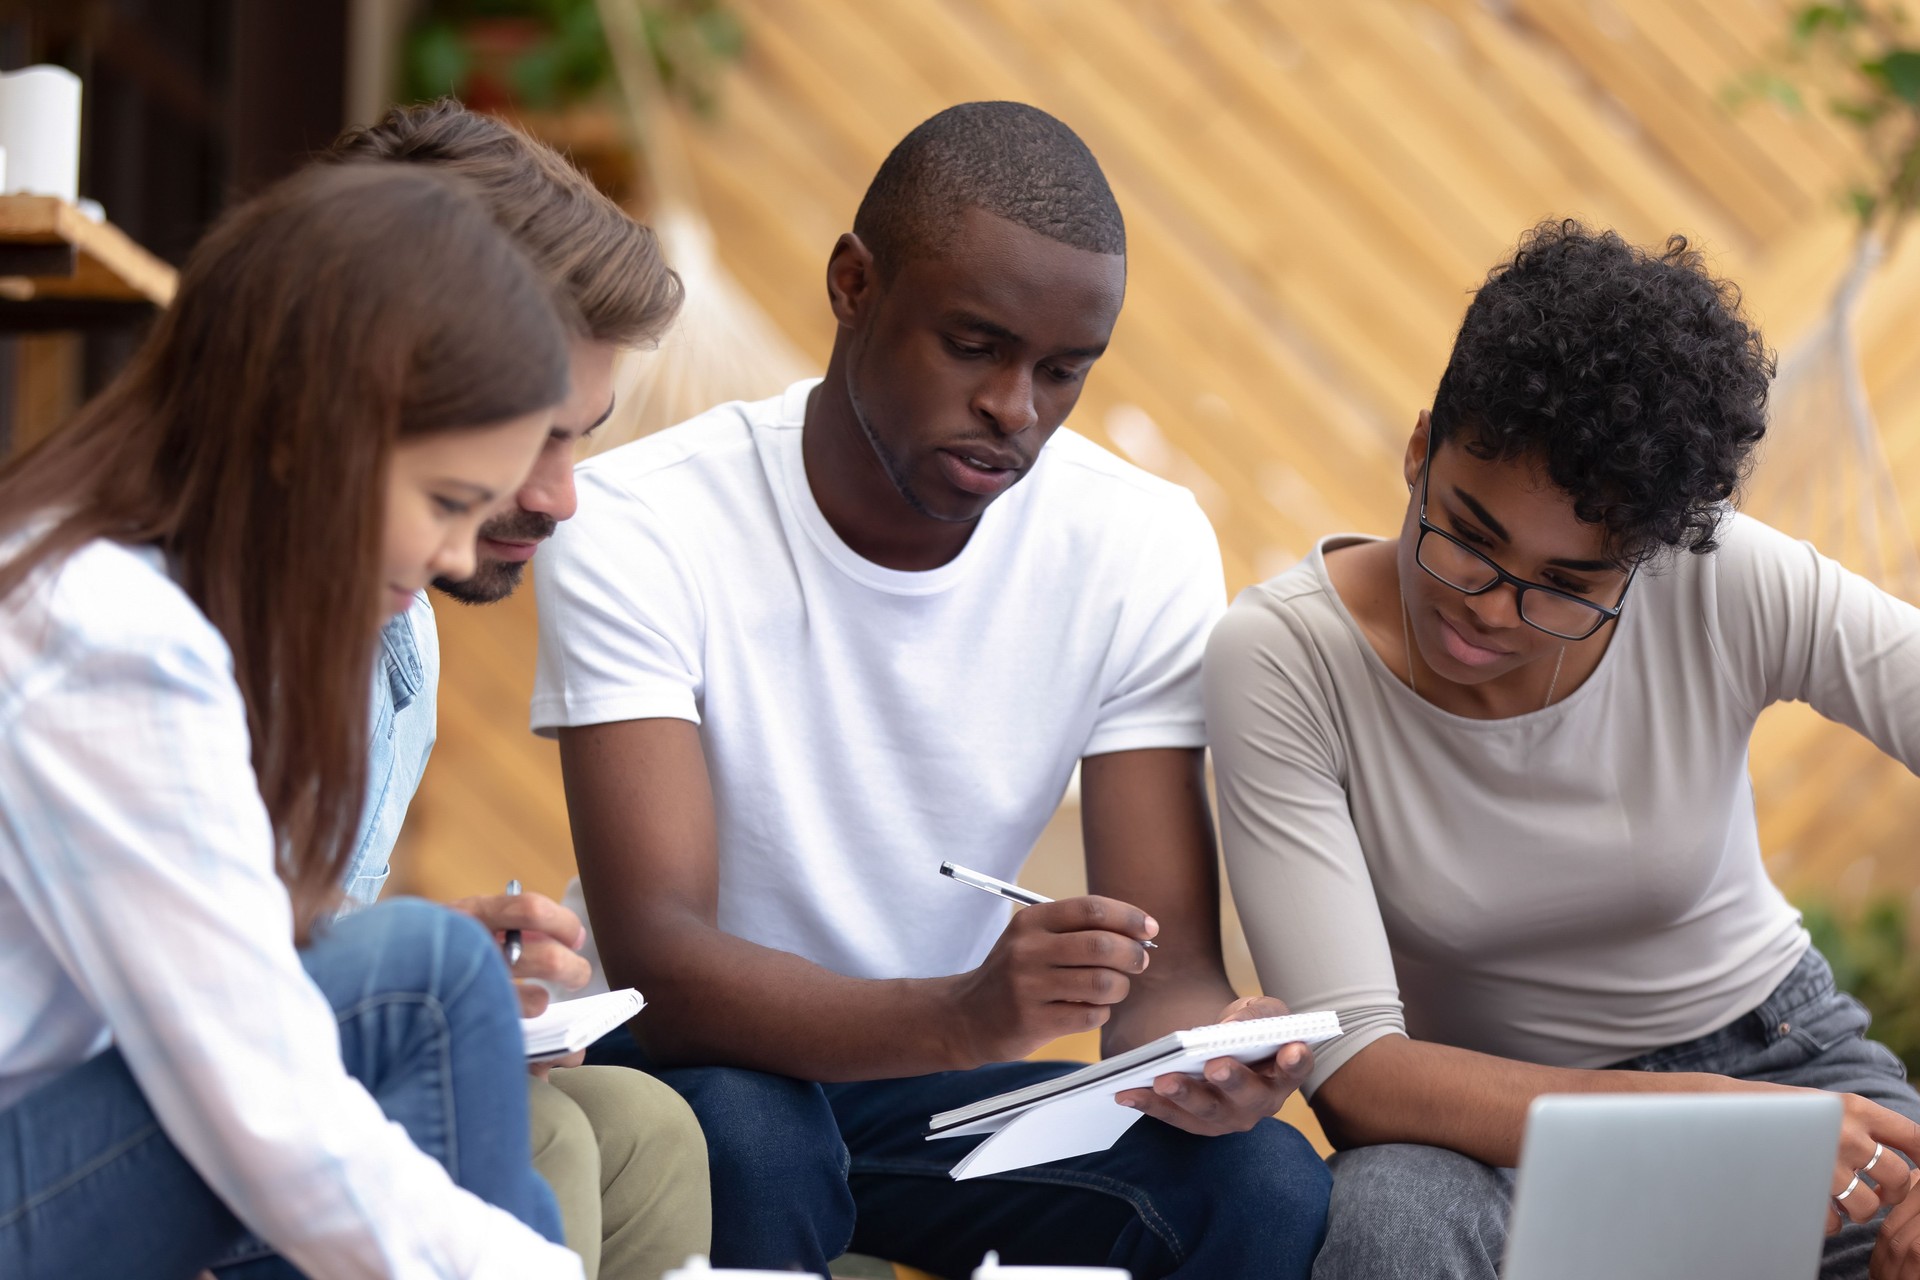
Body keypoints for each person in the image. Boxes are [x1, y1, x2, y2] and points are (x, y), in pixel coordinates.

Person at [532, 101, 1331, 1279]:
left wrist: (1207, 1058)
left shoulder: (1137, 542)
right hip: (695, 1068)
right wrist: (967, 1012)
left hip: (924, 1093)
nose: (1017, 409)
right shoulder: (642, 524)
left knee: (1257, 1187)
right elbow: (664, 962)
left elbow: (1163, 978)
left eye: (1064, 371)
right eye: (974, 346)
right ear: (854, 284)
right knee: (756, 1139)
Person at [1202, 220, 1920, 1280]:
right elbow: (1359, 1071)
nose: (1488, 611)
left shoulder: (1718, 577)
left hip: (1783, 1063)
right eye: (1466, 537)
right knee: (1384, 1228)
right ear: (1418, 450)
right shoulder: (1284, 660)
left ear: (1645, 557)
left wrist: (1755, 1123)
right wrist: (1707, 1126)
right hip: (1493, 1134)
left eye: (1568, 585)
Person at [0, 164, 584, 1277]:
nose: (463, 555)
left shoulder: (147, 599)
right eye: (449, 501)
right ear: (303, 436)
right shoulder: (109, 633)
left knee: (428, 976)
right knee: (420, 973)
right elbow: (271, 1107)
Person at [321, 100, 710, 1280]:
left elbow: (294, 932)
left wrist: (449, 960)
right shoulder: (168, 615)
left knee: (649, 1127)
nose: (560, 496)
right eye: (532, 435)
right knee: (540, 1137)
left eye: (579, 440)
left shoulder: (407, 640)